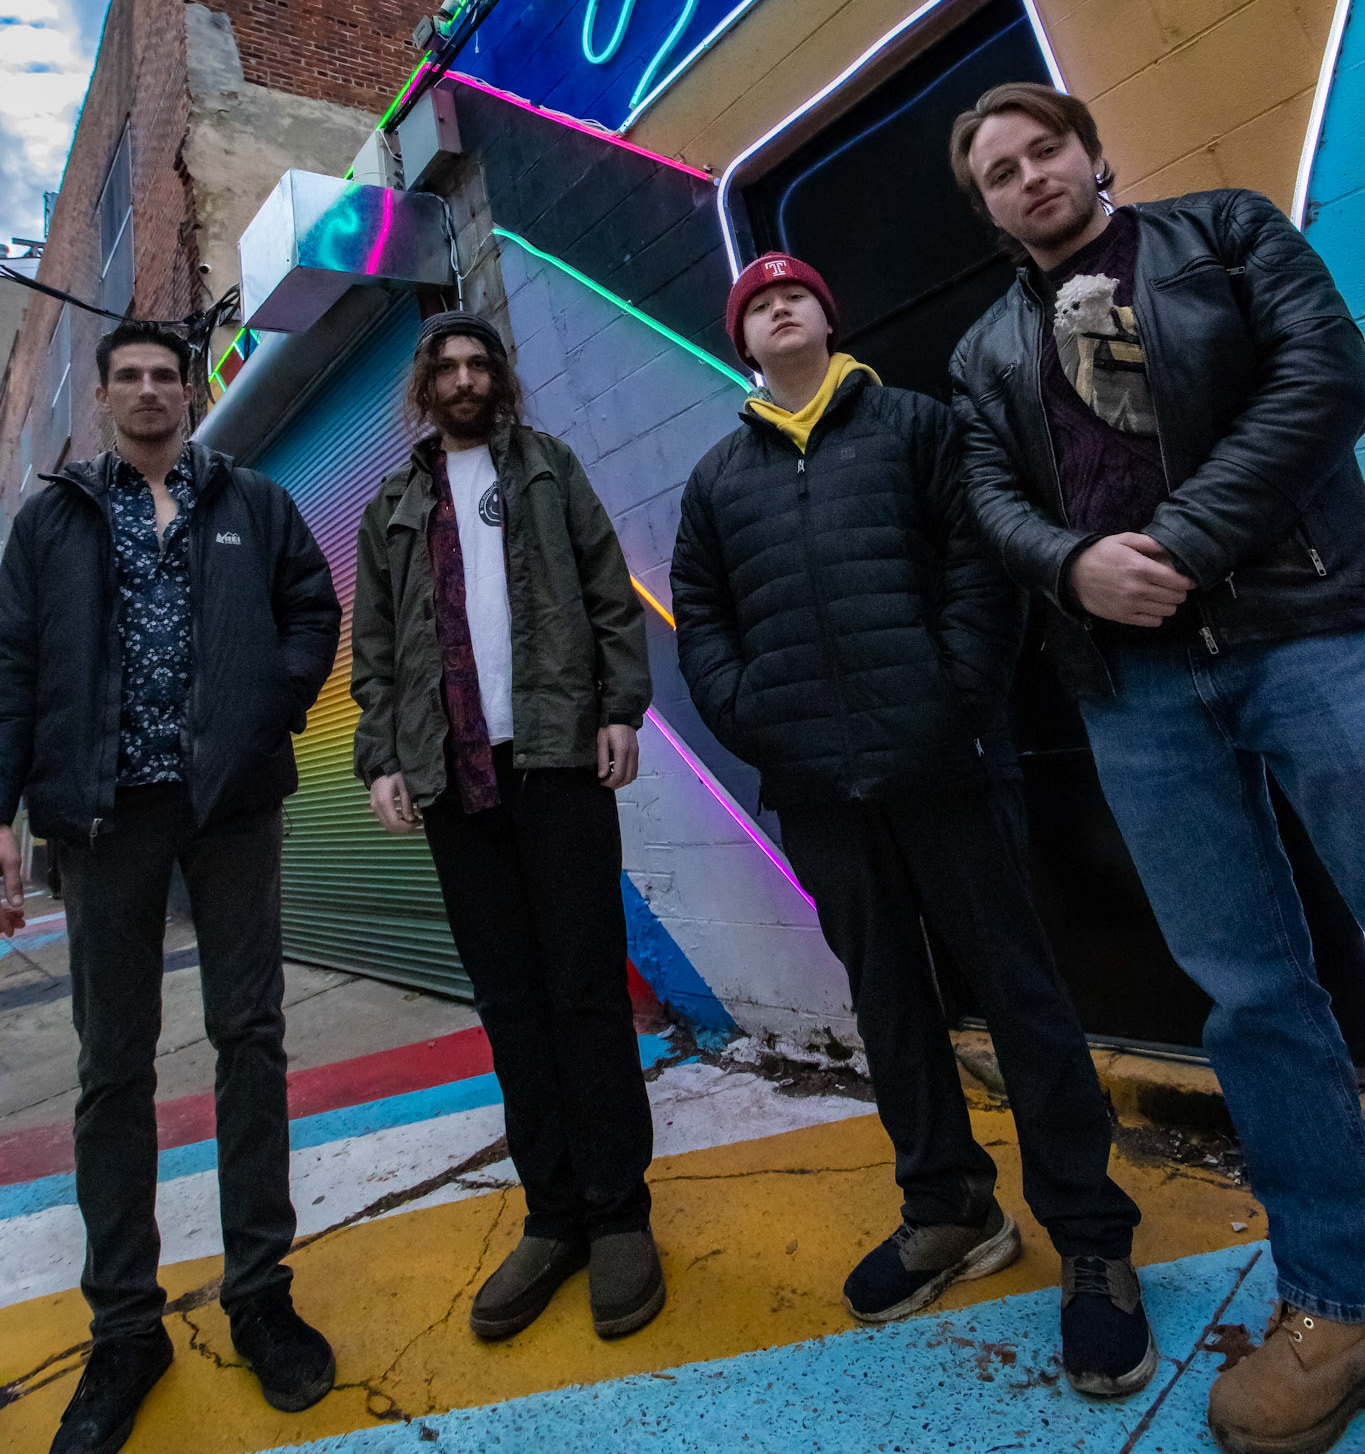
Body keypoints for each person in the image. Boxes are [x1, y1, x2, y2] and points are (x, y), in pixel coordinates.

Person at [949, 81, 1365, 1454]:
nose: (1029, 176)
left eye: (1043, 149)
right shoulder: (982, 351)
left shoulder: (1225, 232)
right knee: (1249, 994)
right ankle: (1336, 1298)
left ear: (1091, 152)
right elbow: (990, 500)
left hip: (1310, 627)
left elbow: (1326, 374)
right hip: (1132, 692)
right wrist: (1071, 564)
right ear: (987, 207)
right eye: (999, 171)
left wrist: (1181, 540)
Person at [669, 252, 1152, 1396]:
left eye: (795, 292)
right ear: (744, 340)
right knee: (889, 1007)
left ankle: (1091, 1236)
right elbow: (702, 616)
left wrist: (951, 700)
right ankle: (949, 1208)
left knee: (1024, 999)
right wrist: (756, 719)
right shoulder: (717, 478)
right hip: (819, 792)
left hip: (947, 771)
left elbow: (980, 571)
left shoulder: (917, 426)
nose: (778, 306)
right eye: (756, 303)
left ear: (829, 315)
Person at [0, 318, 342, 1454]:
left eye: (164, 374)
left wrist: (264, 708)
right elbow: (10, 664)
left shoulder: (254, 501)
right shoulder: (51, 522)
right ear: (102, 398)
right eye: (129, 376)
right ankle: (126, 1329)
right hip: (102, 817)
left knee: (251, 1037)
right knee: (113, 1068)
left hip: (229, 803)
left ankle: (260, 1294)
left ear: (188, 391)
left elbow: (313, 609)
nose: (149, 389)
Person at [351, 311, 660, 1343]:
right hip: (453, 779)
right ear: (424, 386)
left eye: (479, 362)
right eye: (446, 366)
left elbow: (609, 593)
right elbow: (376, 650)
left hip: (557, 762)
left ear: (500, 376)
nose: (465, 378)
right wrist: (382, 758)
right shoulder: (392, 502)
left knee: (585, 991)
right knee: (511, 1004)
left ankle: (618, 1214)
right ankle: (553, 1216)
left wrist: (620, 708)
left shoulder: (547, 468)